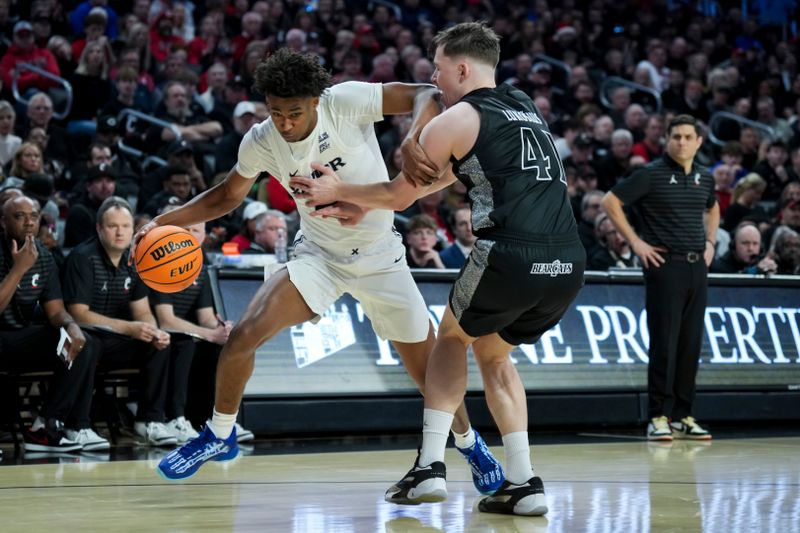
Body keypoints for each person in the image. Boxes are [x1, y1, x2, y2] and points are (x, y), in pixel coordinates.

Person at [135, 48, 502, 488]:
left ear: (315, 100)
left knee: (429, 374)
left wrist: (412, 138)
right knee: (243, 337)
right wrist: (161, 221)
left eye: (293, 112)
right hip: (318, 256)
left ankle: (467, 443)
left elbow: (425, 92)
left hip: (381, 257)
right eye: (276, 112)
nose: (285, 122)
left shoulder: (343, 101)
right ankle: (219, 433)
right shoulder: (260, 139)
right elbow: (225, 196)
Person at [291, 22, 585, 516]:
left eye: (439, 68)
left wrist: (339, 192)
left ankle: (429, 465)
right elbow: (455, 171)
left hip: (512, 252)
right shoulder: (525, 106)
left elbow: (397, 195)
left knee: (449, 340)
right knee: (493, 354)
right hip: (568, 263)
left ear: (463, 68)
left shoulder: (458, 117)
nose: (435, 78)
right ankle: (524, 482)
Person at [601, 114, 719, 442]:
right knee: (665, 342)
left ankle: (684, 415)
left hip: (697, 267)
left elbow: (713, 208)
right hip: (664, 266)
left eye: (687, 136)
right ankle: (658, 416)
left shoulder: (704, 177)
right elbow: (610, 201)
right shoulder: (651, 175)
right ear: (667, 139)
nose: (681, 142)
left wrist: (711, 242)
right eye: (676, 136)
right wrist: (636, 243)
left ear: (698, 141)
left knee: (690, 343)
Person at [62, 196, 176, 446]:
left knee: (159, 343)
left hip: (114, 337)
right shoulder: (83, 258)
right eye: (113, 226)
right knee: (88, 344)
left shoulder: (135, 260)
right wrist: (129, 328)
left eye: (125, 226)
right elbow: (78, 314)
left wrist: (153, 330)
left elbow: (142, 312)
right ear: (99, 228)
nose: (120, 232)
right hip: (81, 336)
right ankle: (77, 426)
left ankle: (149, 421)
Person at [0, 195, 103, 452]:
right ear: (3, 222)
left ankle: (45, 425)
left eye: (33, 216)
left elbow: (55, 311)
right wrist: (19, 269)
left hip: (20, 338)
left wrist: (71, 325)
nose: (28, 222)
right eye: (19, 216)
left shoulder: (44, 257)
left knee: (85, 344)